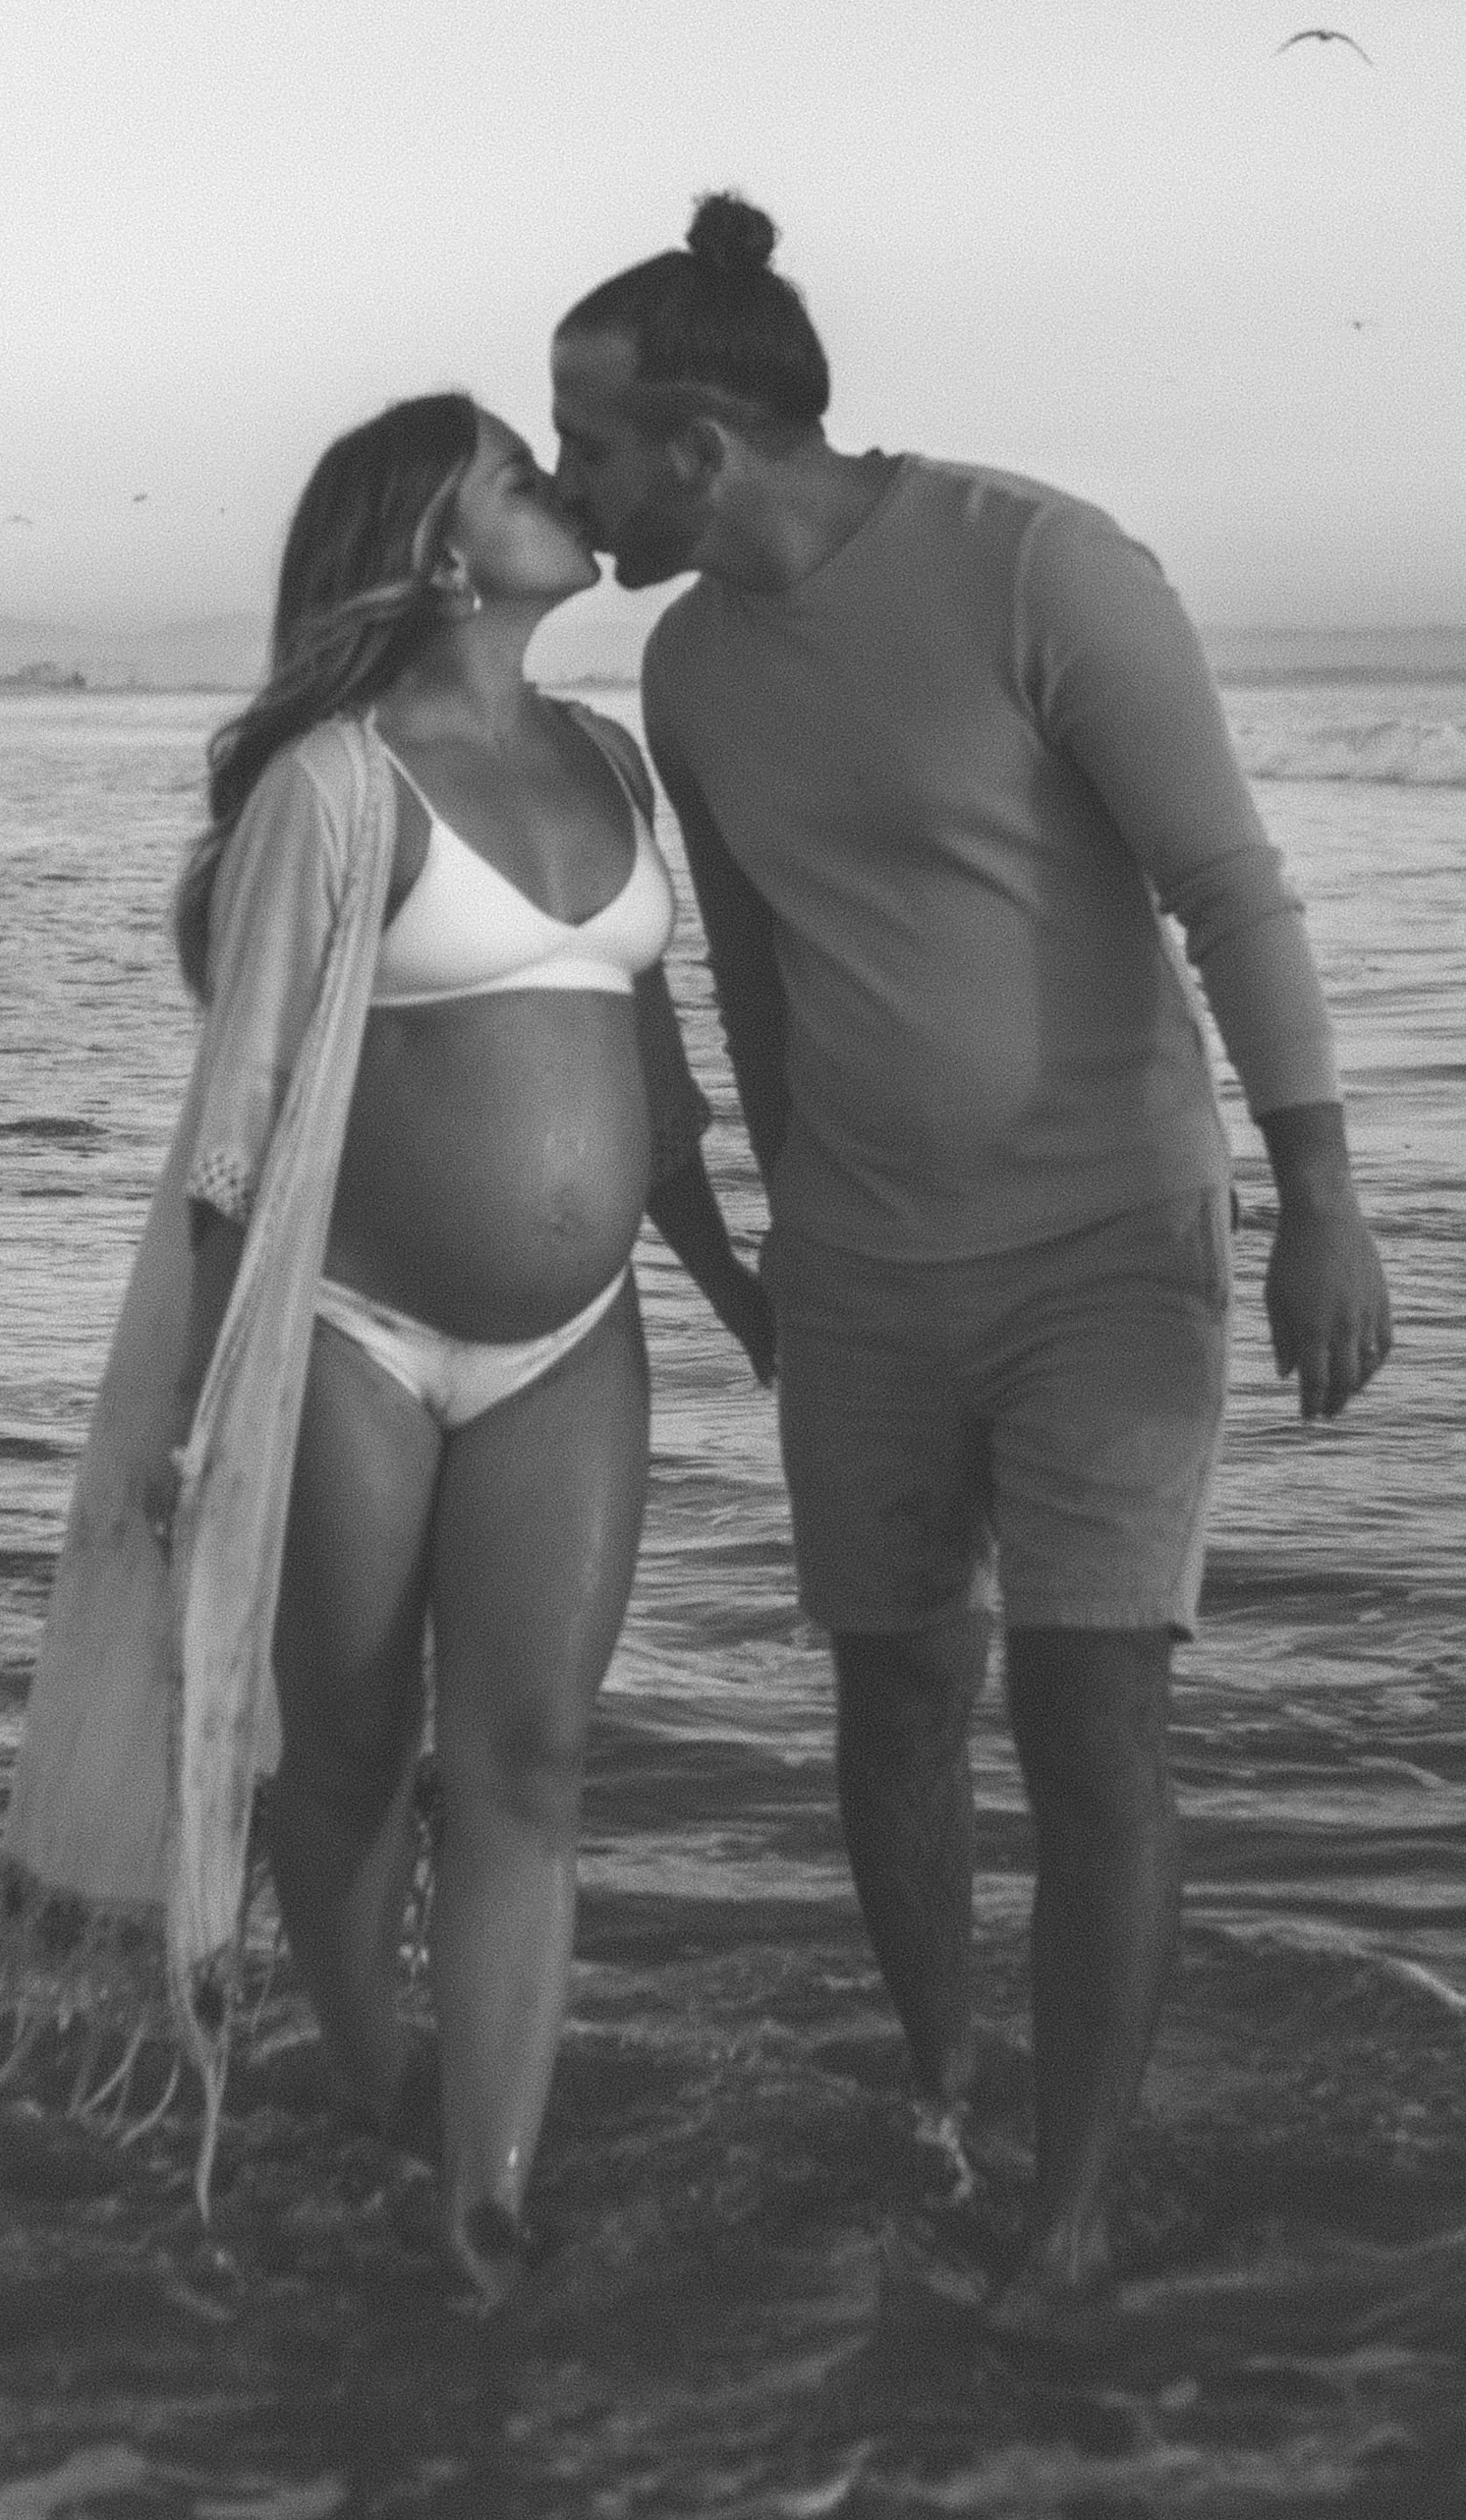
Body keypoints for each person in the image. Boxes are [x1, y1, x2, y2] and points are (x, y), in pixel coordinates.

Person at [548, 196, 1393, 2315]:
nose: (564, 487)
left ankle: (1069, 2215)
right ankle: (938, 2102)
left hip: (1108, 1239)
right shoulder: (683, 667)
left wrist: (1323, 1196)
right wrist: (761, 1241)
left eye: (585, 442)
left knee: (1089, 1717)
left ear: (694, 439)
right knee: (893, 1697)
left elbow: (1229, 885)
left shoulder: (1039, 562)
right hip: (864, 1272)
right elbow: (750, 975)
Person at [161, 390, 767, 2303]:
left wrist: (746, 1296)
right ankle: (374, 2107)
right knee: (344, 1768)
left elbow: (659, 1091)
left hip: (574, 1345)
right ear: (438, 546)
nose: (563, 488)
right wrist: (205, 1423)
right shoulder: (333, 788)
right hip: (345, 1333)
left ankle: (480, 2205)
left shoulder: (606, 759)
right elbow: (233, 1131)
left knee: (533, 1762)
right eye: (519, 471)